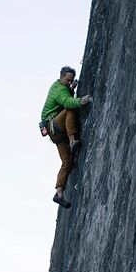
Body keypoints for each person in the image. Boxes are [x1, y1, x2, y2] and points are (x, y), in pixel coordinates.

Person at [40, 66, 92, 208]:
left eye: (71, 81)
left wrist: (71, 89)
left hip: (57, 133)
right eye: (67, 80)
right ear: (61, 77)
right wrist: (81, 101)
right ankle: (72, 140)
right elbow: (67, 102)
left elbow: (65, 95)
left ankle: (59, 193)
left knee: (67, 162)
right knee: (70, 109)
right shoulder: (59, 89)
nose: (69, 83)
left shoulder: (61, 87)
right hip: (54, 126)